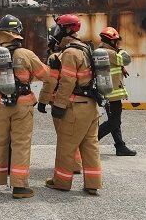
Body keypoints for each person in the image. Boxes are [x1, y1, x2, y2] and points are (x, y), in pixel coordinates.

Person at [0, 15, 47, 198]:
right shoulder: (26, 54)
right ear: (17, 32)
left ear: (0, 33)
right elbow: (45, 75)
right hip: (22, 105)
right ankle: (19, 187)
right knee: (21, 144)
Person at [44, 14, 103, 196]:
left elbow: (67, 82)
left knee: (66, 146)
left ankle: (61, 182)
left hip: (76, 107)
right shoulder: (86, 48)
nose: (56, 33)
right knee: (90, 146)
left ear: (67, 29)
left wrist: (59, 105)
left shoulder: (70, 53)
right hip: (91, 106)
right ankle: (93, 184)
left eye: (59, 29)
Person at [96, 27, 137, 156]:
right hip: (112, 95)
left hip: (108, 93)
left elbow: (117, 64)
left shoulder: (100, 51)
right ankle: (90, 140)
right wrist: (119, 50)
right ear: (111, 41)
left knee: (114, 121)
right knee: (114, 122)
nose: (118, 43)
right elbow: (126, 59)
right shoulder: (110, 52)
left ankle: (120, 146)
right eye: (116, 41)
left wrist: (121, 67)